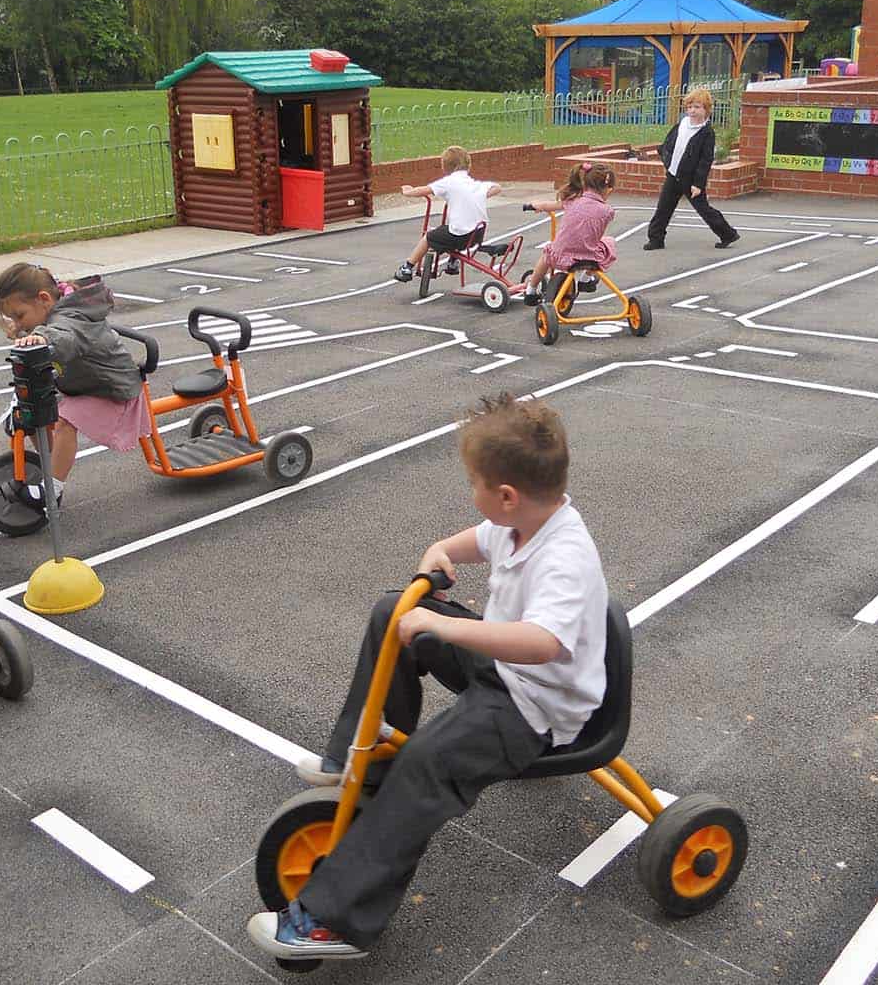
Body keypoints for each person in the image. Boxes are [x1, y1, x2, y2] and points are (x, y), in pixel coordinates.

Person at [247, 393, 609, 961]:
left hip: (534, 707)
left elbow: (544, 643)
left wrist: (448, 631)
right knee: (393, 615)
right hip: (503, 673)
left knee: (426, 764)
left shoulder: (565, 554)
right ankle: (359, 753)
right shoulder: (518, 523)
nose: (473, 494)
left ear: (506, 496)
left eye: (475, 484)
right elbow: (469, 543)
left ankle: (333, 922)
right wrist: (436, 552)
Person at [0, 262, 146, 508]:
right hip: (82, 385)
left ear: (43, 299)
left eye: (19, 316)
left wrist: (41, 337)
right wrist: (25, 333)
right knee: (32, 413)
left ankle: (51, 489)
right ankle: (54, 468)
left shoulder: (71, 317)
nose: (18, 323)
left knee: (65, 421)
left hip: (111, 388)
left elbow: (64, 338)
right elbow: (46, 335)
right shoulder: (52, 312)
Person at [642, 88, 740, 251]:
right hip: (674, 175)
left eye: (697, 107)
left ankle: (727, 233)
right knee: (663, 208)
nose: (693, 111)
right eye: (690, 107)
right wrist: (665, 155)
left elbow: (705, 160)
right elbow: (670, 142)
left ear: (706, 110)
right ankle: (656, 238)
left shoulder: (706, 132)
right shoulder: (682, 124)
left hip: (691, 179)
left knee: (703, 209)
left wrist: (698, 184)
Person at [392, 146, 502, 283]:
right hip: (477, 235)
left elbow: (425, 190)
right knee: (453, 228)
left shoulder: (449, 182)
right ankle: (452, 263)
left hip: (461, 236)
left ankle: (407, 268)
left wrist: (408, 191)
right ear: (468, 166)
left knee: (429, 237)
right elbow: (497, 187)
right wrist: (480, 196)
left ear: (446, 167)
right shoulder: (475, 184)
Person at [520, 161, 619, 306]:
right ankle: (585, 279)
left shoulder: (572, 200)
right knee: (609, 242)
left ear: (585, 183)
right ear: (608, 190)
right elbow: (595, 234)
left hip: (560, 257)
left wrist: (537, 205)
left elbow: (549, 205)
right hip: (589, 259)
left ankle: (531, 289)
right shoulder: (608, 211)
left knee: (546, 254)